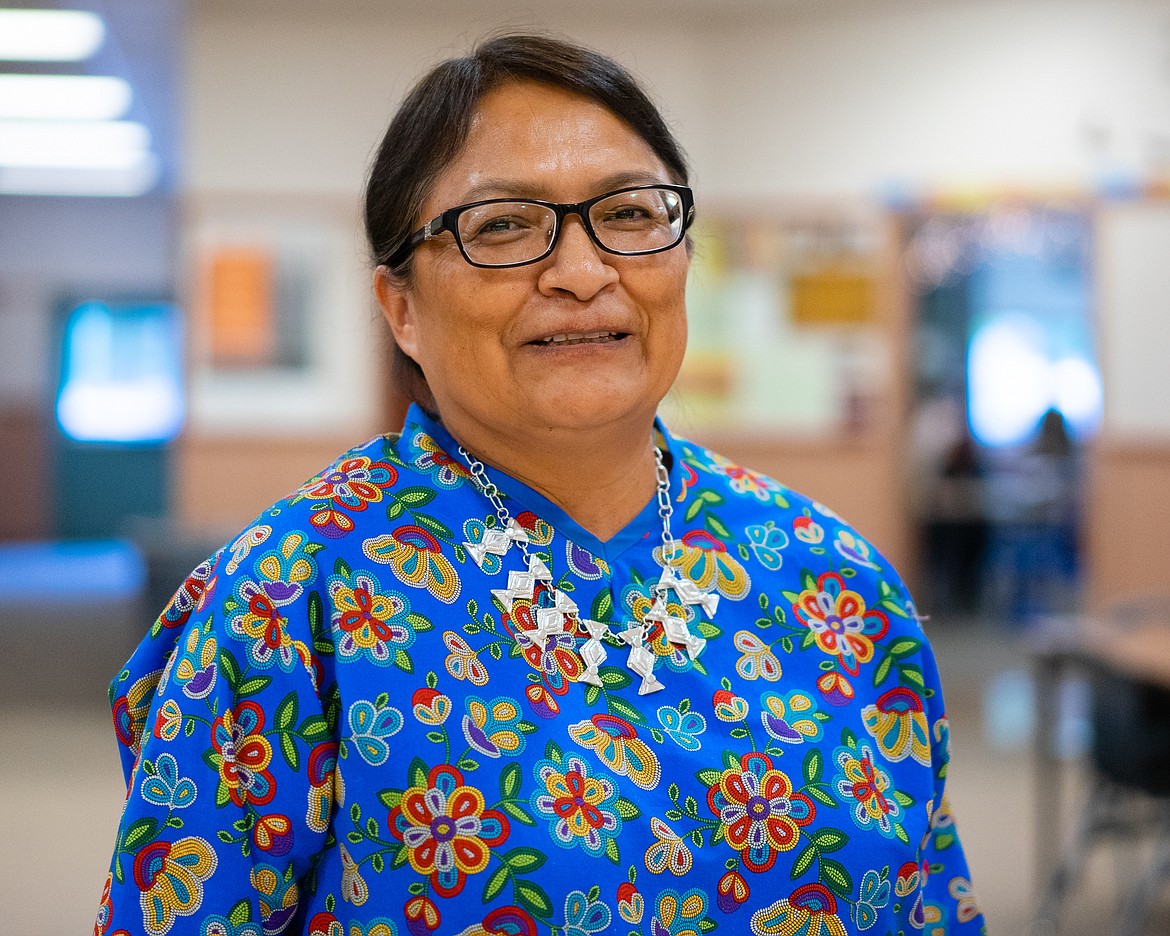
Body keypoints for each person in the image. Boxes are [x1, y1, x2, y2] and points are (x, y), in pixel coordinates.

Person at [97, 34, 985, 936]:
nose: (582, 272)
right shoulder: (289, 603)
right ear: (400, 308)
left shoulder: (835, 579)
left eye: (632, 215)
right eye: (503, 227)